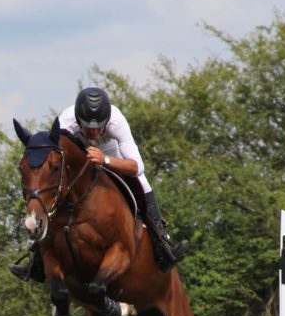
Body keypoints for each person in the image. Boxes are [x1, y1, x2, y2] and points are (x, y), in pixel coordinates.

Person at [10, 87, 188, 282]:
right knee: (56, 189)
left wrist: (106, 160)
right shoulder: (67, 121)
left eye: (98, 127)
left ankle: (162, 243)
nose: (94, 131)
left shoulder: (116, 120)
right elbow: (52, 155)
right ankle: (37, 259)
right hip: (82, 159)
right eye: (88, 127)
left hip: (112, 155)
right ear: (78, 120)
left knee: (142, 183)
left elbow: (137, 167)